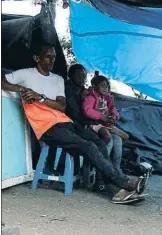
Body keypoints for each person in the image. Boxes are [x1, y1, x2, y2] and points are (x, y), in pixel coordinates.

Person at [1, 42, 143, 204]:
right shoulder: (26, 74)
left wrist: (39, 97)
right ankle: (124, 183)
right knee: (88, 146)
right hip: (47, 128)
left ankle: (115, 189)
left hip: (65, 122)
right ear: (37, 58)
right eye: (48, 57)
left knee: (100, 143)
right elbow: (2, 80)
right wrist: (22, 89)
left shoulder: (57, 79)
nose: (51, 60)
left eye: (53, 57)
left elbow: (61, 105)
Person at [65, 64, 153, 196]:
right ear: (71, 76)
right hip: (82, 127)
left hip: (99, 124)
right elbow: (81, 115)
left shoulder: (91, 92)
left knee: (117, 141)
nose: (82, 77)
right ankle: (105, 181)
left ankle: (116, 174)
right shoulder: (73, 92)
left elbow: (110, 109)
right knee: (107, 142)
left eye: (84, 74)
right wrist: (102, 119)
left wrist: (110, 117)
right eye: (79, 75)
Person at [82, 71, 128, 170]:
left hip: (106, 124)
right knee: (109, 140)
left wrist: (114, 117)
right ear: (94, 86)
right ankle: (103, 169)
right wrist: (102, 117)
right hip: (94, 124)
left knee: (120, 139)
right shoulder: (91, 97)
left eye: (107, 86)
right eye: (103, 86)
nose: (105, 88)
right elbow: (87, 111)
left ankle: (116, 170)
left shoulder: (107, 98)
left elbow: (113, 110)